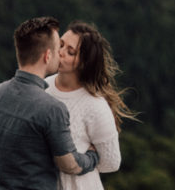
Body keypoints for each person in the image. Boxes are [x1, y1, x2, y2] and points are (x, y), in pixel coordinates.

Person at [0, 16, 100, 190]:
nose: (60, 54)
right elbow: (69, 164)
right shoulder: (51, 108)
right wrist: (93, 157)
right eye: (57, 49)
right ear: (47, 56)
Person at [45, 20, 136, 189]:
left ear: (84, 62)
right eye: (61, 44)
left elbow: (112, 163)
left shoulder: (95, 106)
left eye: (70, 52)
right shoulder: (43, 87)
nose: (60, 52)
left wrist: (82, 161)